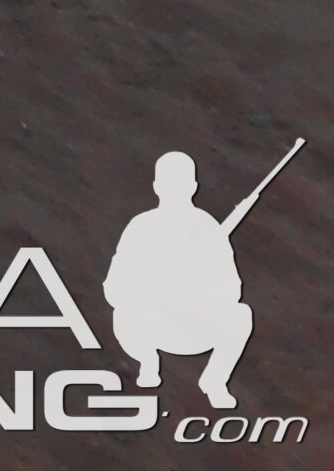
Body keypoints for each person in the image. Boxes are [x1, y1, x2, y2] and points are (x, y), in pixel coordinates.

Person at [106, 151, 256, 409]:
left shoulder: (208, 228)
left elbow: (233, 288)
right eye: (169, 183)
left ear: (193, 187)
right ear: (156, 187)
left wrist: (198, 289)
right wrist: (149, 295)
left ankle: (215, 381)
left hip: (196, 327)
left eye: (179, 183)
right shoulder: (141, 226)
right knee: (122, 314)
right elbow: (114, 285)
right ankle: (148, 362)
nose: (174, 189)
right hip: (149, 326)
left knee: (241, 315)